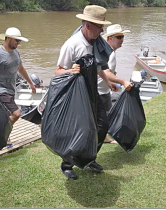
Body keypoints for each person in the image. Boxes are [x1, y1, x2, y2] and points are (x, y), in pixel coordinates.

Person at [55, 5, 118, 179]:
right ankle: (67, 164)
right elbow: (58, 71)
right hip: (76, 96)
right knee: (77, 131)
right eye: (100, 27)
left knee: (102, 126)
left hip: (92, 93)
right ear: (88, 25)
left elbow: (97, 67)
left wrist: (107, 81)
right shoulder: (72, 44)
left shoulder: (95, 43)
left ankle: (89, 158)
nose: (102, 31)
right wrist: (70, 71)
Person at [0, 27, 36, 147]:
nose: (18, 43)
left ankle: (4, 137)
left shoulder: (16, 52)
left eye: (19, 41)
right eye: (17, 40)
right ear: (8, 39)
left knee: (7, 115)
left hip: (11, 89)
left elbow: (20, 68)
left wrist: (30, 83)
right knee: (16, 113)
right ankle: (0, 135)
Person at [99, 24, 133, 144]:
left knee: (105, 116)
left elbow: (101, 72)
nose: (122, 39)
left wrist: (108, 83)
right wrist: (123, 82)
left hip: (103, 90)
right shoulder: (111, 54)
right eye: (118, 37)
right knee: (101, 118)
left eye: (122, 36)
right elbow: (106, 72)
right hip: (98, 92)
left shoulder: (106, 51)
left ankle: (103, 138)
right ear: (110, 38)